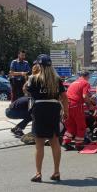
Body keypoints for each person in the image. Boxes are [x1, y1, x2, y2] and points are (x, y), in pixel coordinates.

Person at [25, 54, 68, 183]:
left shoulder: (33, 78)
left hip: (40, 109)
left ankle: (38, 173)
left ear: (39, 65)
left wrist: (29, 77)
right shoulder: (57, 79)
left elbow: (26, 91)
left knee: (39, 144)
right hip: (54, 108)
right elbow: (64, 97)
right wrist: (66, 111)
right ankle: (56, 172)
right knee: (55, 141)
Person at [8, 62, 40, 136]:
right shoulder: (31, 98)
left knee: (31, 114)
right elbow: (30, 109)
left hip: (11, 109)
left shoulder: (30, 92)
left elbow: (24, 88)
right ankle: (19, 129)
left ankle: (17, 128)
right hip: (11, 111)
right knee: (32, 115)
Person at [62, 70, 91, 151]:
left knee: (71, 126)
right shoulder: (85, 83)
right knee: (81, 126)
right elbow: (85, 96)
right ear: (87, 76)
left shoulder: (73, 83)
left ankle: (65, 141)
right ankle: (79, 144)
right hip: (76, 106)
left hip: (67, 105)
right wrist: (90, 105)